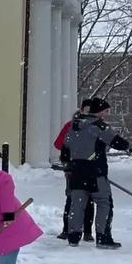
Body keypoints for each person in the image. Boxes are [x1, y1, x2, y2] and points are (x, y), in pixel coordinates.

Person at [60, 97, 131, 249]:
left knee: (77, 203)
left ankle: (73, 236)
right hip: (95, 172)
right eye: (105, 111)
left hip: (77, 171)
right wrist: (128, 145)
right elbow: (118, 143)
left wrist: (67, 167)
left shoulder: (74, 125)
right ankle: (103, 237)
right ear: (98, 111)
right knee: (104, 203)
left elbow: (65, 148)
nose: (106, 114)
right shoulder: (99, 126)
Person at [54, 101, 94, 242]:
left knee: (89, 199)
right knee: (72, 198)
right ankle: (67, 229)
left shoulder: (96, 126)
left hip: (91, 168)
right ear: (82, 110)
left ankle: (88, 232)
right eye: (87, 110)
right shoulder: (71, 126)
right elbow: (59, 144)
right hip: (73, 168)